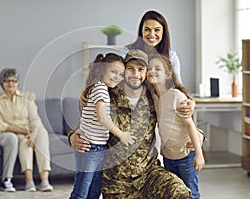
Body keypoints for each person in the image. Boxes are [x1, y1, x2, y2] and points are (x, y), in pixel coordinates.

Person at [69, 49, 197, 198]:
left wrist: (198, 133)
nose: (135, 74)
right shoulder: (108, 94)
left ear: (145, 74)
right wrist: (73, 135)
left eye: (141, 69)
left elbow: (176, 114)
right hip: (117, 183)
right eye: (130, 68)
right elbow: (90, 120)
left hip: (149, 175)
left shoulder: (154, 97)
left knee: (179, 192)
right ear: (124, 71)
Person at [69, 53, 136, 199]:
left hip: (97, 146)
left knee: (93, 191)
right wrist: (122, 134)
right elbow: (102, 118)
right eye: (113, 72)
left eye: (120, 74)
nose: (117, 77)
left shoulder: (100, 88)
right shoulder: (100, 89)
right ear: (101, 70)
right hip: (91, 146)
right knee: (81, 191)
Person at [147, 55, 205, 199]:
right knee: (173, 193)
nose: (151, 71)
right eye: (149, 68)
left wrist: (199, 154)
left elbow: (190, 125)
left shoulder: (176, 96)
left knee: (191, 193)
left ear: (168, 75)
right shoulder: (154, 96)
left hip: (186, 156)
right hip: (168, 156)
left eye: (157, 69)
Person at [0, 68, 53, 192]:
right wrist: (24, 132)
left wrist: (34, 133)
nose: (11, 84)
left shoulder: (26, 98)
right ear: (2, 83)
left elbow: (35, 118)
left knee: (42, 137)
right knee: (24, 142)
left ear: (18, 83)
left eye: (14, 81)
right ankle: (29, 181)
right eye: (7, 81)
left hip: (33, 129)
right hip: (14, 131)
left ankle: (45, 181)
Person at [126, 10, 182, 83]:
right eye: (147, 29)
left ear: (163, 32)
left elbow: (177, 83)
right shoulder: (127, 52)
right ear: (141, 31)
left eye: (157, 30)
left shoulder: (171, 56)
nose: (152, 34)